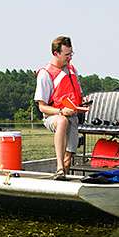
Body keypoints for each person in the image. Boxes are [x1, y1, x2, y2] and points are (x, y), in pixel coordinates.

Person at [34, 36, 85, 179]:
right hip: (53, 116)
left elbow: (77, 93)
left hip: (73, 117)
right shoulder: (45, 74)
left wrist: (83, 102)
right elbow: (42, 108)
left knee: (69, 159)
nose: (70, 58)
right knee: (62, 120)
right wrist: (61, 111)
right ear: (56, 53)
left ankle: (63, 175)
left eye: (71, 54)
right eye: (67, 55)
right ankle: (59, 167)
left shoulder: (72, 69)